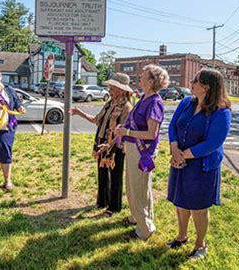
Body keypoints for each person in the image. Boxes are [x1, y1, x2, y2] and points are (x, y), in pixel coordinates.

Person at [166, 69, 232, 260]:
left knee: (198, 208)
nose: (191, 82)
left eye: (195, 80)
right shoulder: (187, 102)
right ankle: (181, 236)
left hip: (201, 165)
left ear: (207, 86)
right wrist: (174, 148)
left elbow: (213, 143)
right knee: (180, 203)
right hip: (179, 160)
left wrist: (183, 155)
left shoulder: (221, 111)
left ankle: (200, 245)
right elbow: (173, 126)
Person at [116, 64, 169, 241]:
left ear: (151, 81)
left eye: (143, 75)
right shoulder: (144, 99)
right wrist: (124, 129)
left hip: (142, 151)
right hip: (133, 149)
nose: (139, 77)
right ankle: (136, 218)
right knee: (132, 186)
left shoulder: (154, 102)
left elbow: (151, 133)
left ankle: (144, 229)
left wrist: (127, 133)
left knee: (139, 189)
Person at [70, 73, 133, 216]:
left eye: (112, 87)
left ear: (121, 90)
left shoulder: (127, 107)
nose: (109, 89)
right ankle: (102, 201)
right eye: (109, 87)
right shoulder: (109, 103)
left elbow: (122, 132)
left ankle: (114, 207)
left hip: (115, 147)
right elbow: (97, 120)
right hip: (101, 143)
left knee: (115, 176)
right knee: (102, 173)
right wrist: (79, 112)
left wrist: (109, 144)